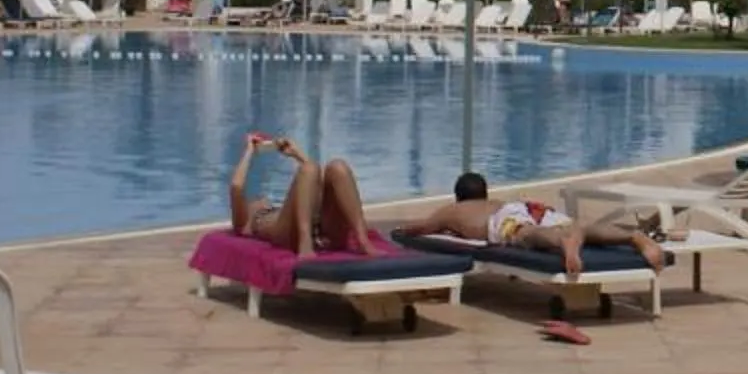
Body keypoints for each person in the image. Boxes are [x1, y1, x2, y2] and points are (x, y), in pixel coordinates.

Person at [395, 172, 669, 279]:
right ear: (485, 192)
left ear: (459, 195)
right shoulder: (497, 201)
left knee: (527, 234)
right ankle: (633, 236)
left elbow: (421, 229)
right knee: (577, 226)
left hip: (509, 220)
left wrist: (402, 231)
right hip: (529, 207)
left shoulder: (453, 210)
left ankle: (563, 243)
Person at [226, 132, 381, 255]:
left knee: (337, 167)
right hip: (288, 237)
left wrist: (296, 154)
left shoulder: (286, 211)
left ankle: (362, 239)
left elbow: (316, 182)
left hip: (323, 232)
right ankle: (305, 241)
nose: (261, 199)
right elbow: (236, 186)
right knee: (309, 168)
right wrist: (249, 151)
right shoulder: (246, 221)